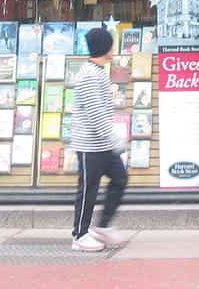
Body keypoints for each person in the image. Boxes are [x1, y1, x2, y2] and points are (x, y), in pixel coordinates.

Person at [70, 27, 129, 252]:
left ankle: (103, 225)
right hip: (89, 146)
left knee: (120, 178)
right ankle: (80, 234)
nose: (113, 49)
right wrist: (115, 139)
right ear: (104, 48)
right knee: (88, 190)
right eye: (111, 45)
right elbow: (95, 114)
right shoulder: (88, 76)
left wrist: (111, 140)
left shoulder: (97, 72)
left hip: (102, 144)